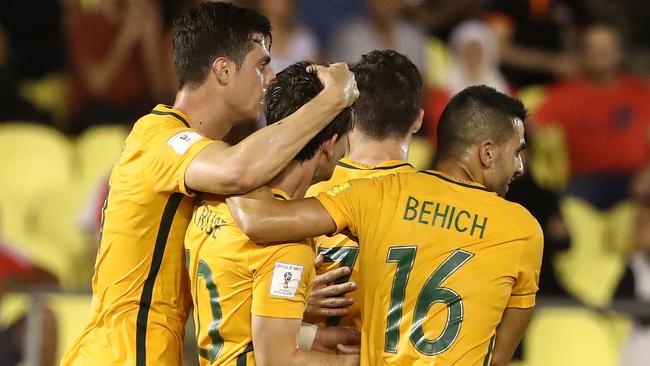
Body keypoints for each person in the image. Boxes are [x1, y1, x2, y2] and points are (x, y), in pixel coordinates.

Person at [61, 2, 358, 365]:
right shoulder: (159, 137)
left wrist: (297, 311)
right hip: (123, 354)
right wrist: (331, 100)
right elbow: (240, 171)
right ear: (224, 70)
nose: (270, 79)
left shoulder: (206, 163)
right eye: (262, 64)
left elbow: (220, 282)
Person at [227, 85, 543, 365]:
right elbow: (498, 356)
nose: (518, 167)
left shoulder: (379, 194)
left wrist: (223, 165)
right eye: (517, 152)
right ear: (487, 152)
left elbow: (259, 220)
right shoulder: (522, 230)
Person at [185, 61, 358, 365]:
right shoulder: (286, 243)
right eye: (347, 138)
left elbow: (238, 317)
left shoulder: (215, 201)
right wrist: (359, 361)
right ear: (330, 144)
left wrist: (310, 333)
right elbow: (278, 360)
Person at [304, 49, 422, 329]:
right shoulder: (438, 205)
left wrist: (294, 301)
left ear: (350, 115)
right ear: (417, 120)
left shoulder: (307, 191)